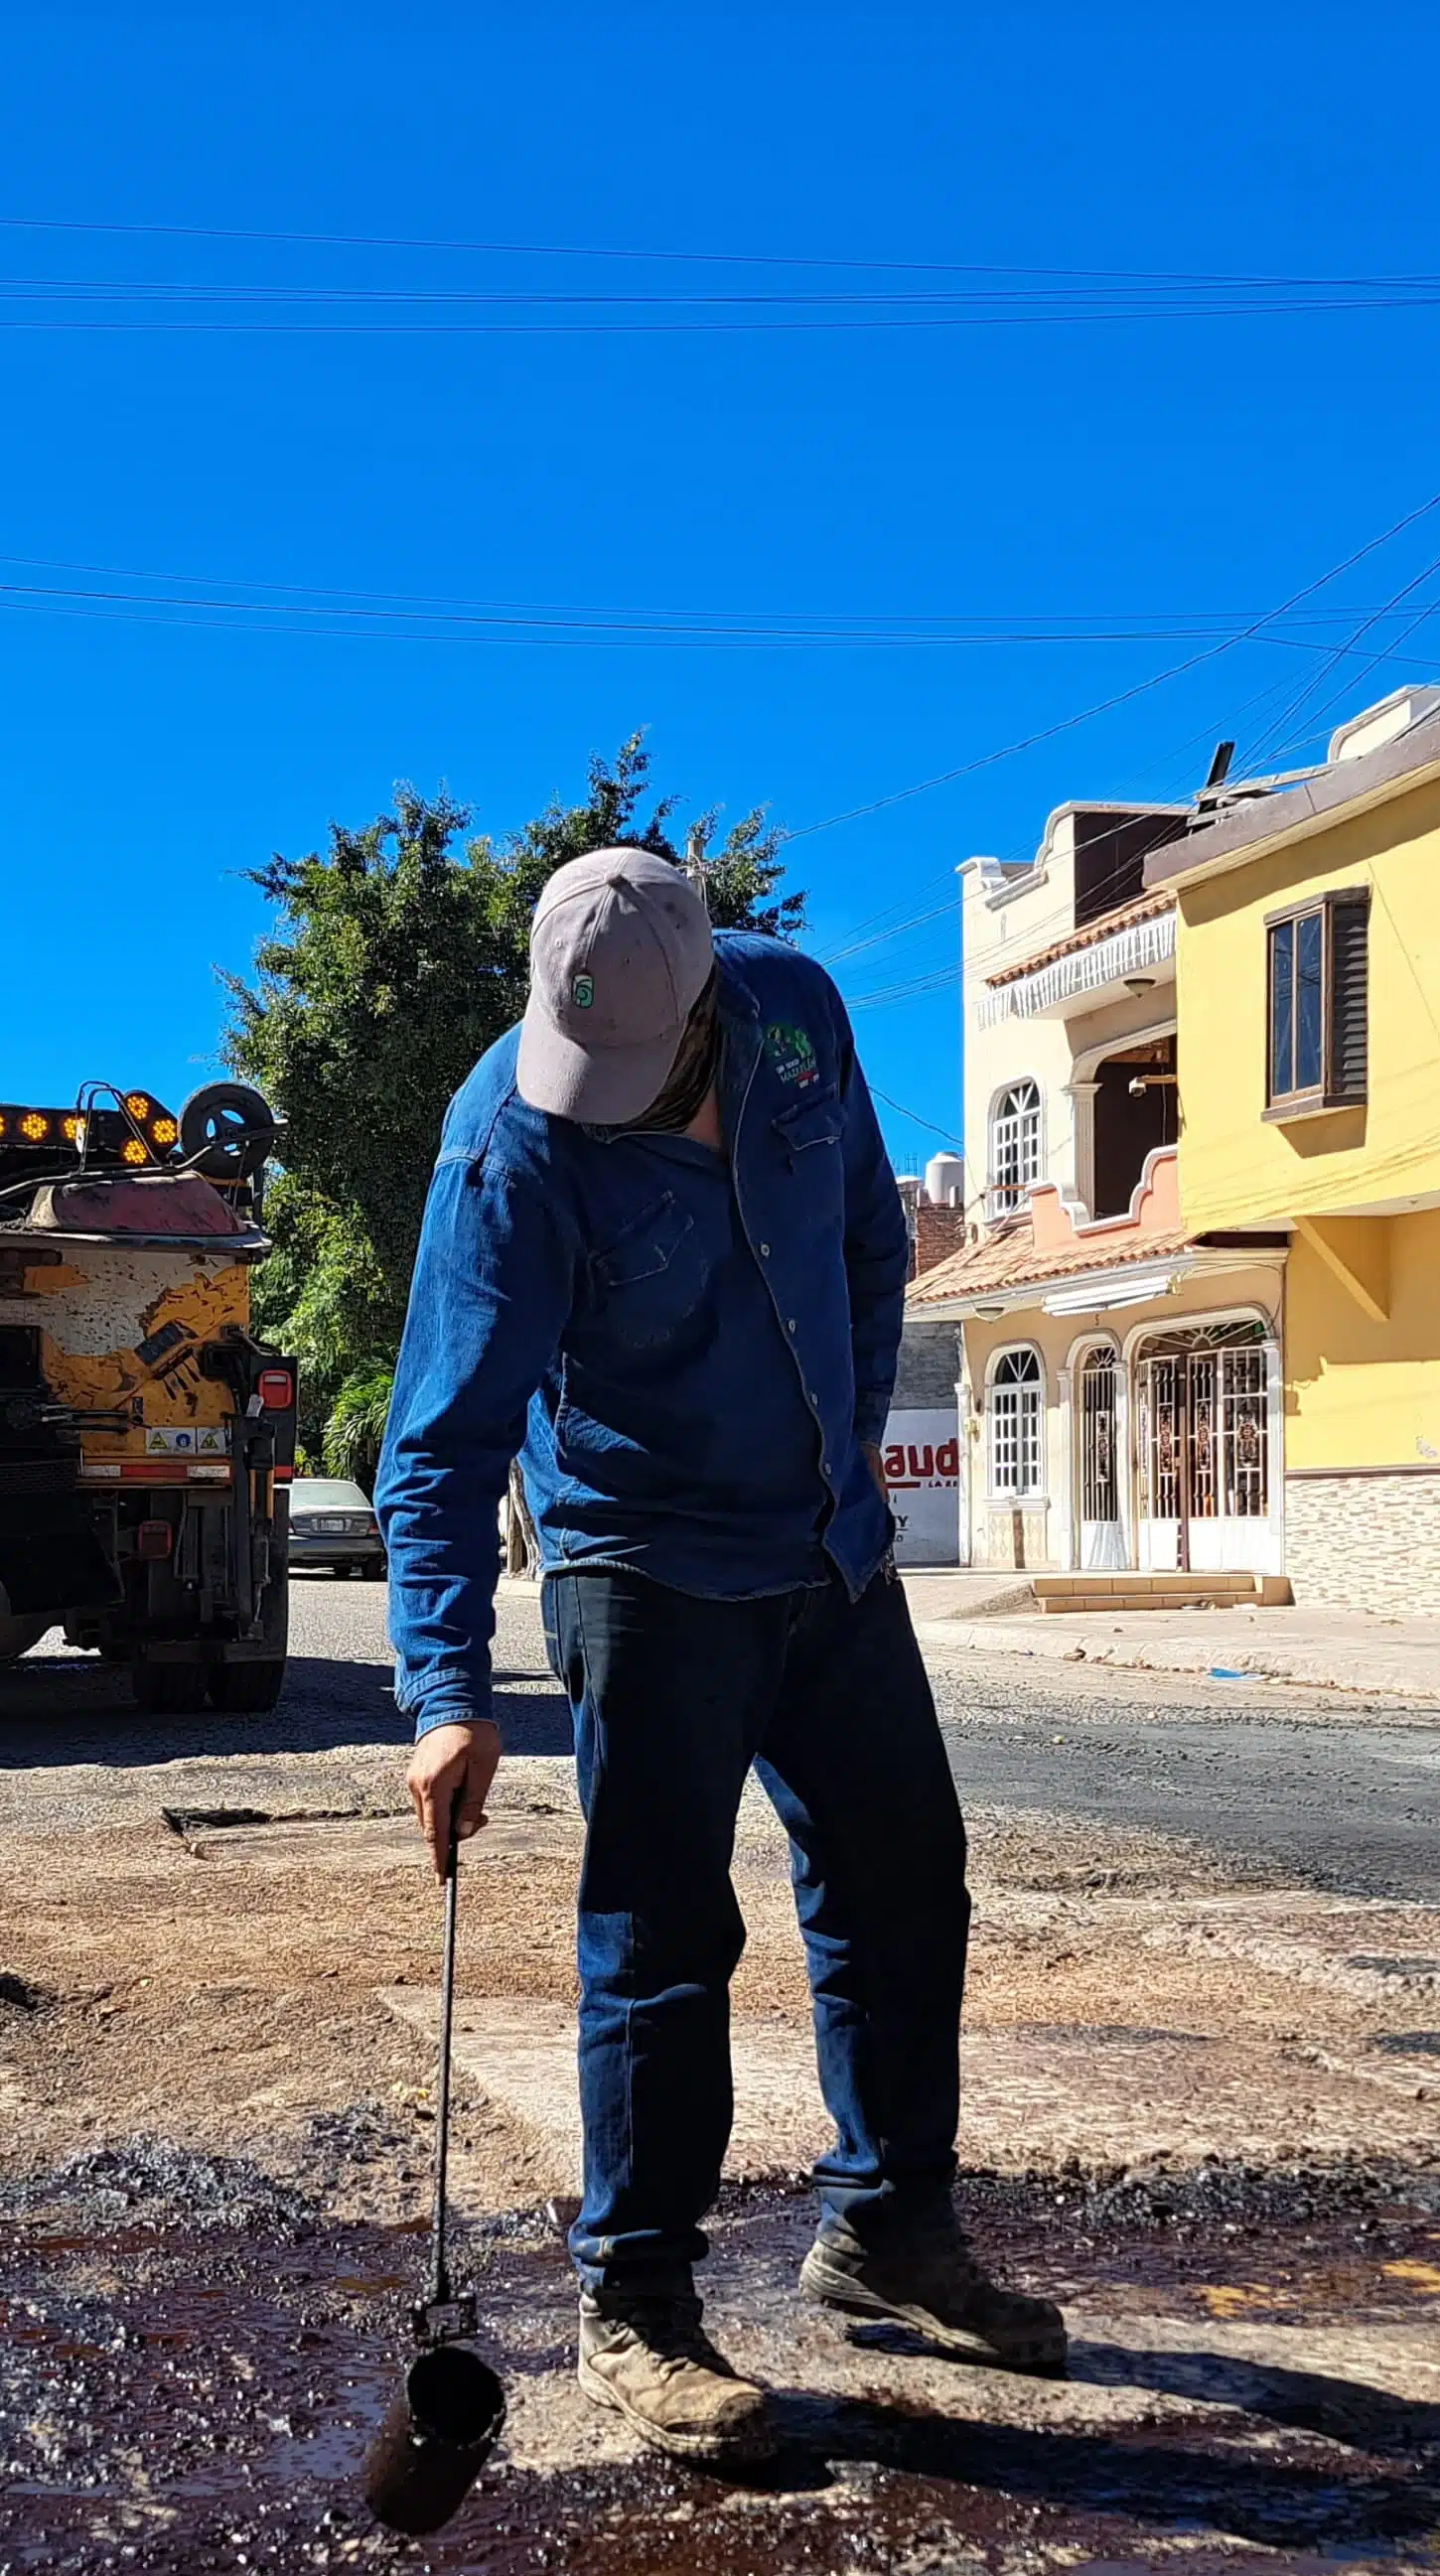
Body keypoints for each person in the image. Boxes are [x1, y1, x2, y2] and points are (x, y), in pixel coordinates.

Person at [374, 844, 1065, 2463]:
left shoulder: (797, 1019)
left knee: (907, 1881)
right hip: (643, 1567)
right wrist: (447, 1695)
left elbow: (871, 1250)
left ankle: (892, 2234)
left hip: (826, 1551)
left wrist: (849, 1475)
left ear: (700, 1009)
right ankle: (637, 2301)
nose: (597, 1087)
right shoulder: (510, 1149)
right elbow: (441, 1445)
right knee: (665, 1933)